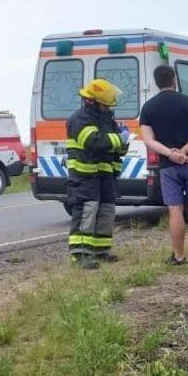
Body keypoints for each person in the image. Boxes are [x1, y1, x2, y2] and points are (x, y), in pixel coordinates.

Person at [139, 65, 188, 265]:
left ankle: (179, 256)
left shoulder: (149, 107)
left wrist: (171, 154)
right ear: (174, 80)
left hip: (168, 167)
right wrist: (184, 151)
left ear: (156, 82)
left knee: (175, 210)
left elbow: (148, 140)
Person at [66, 78, 129, 269]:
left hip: (105, 174)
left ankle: (101, 251)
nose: (109, 107)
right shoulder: (80, 119)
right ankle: (80, 253)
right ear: (92, 102)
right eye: (105, 104)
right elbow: (94, 142)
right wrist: (119, 138)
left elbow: (117, 147)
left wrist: (124, 142)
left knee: (106, 211)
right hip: (85, 175)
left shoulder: (106, 118)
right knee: (87, 211)